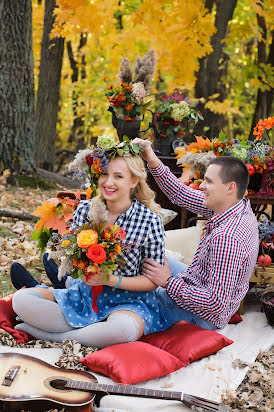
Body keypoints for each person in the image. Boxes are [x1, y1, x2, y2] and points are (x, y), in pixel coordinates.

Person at [12, 143, 170, 348]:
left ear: (134, 181)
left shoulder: (149, 220)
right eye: (104, 174)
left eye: (118, 176)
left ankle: (50, 336)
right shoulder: (86, 209)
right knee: (21, 300)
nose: (108, 182)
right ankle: (83, 328)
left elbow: (152, 281)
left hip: (129, 302)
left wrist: (109, 279)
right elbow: (74, 254)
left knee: (123, 330)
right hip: (85, 295)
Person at [134, 138, 259, 330]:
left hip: (201, 318)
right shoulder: (233, 205)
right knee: (146, 258)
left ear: (230, 187)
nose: (201, 186)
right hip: (196, 282)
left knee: (135, 295)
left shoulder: (227, 238)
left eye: (208, 181)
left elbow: (215, 305)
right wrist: (150, 157)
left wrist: (167, 282)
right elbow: (180, 193)